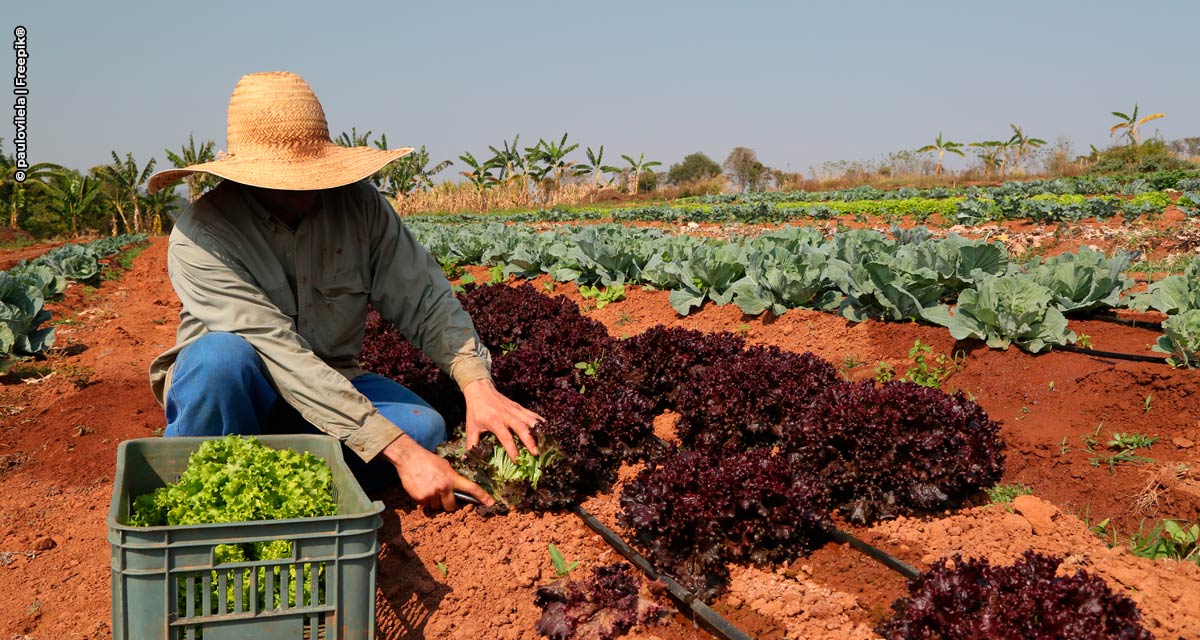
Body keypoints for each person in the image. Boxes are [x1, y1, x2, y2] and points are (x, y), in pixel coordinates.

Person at [146, 71, 540, 511]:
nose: (301, 191)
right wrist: (401, 454)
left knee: (425, 428)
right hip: (242, 389)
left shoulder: (359, 205)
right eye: (281, 180)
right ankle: (201, 482)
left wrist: (476, 383)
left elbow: (423, 297)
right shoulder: (203, 234)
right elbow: (279, 353)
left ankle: (277, 474)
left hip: (331, 378)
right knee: (217, 361)